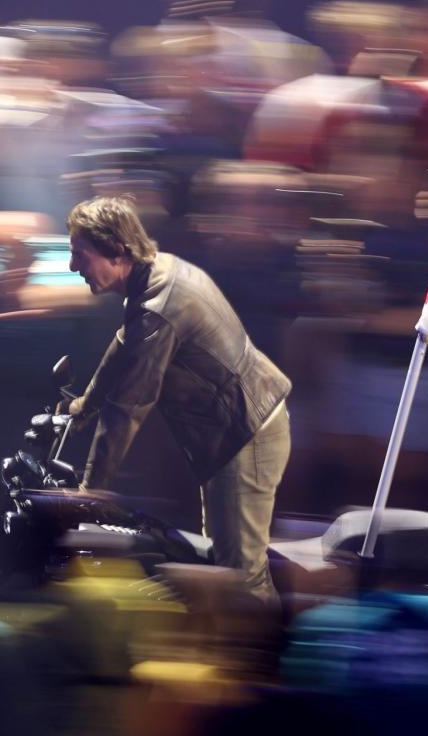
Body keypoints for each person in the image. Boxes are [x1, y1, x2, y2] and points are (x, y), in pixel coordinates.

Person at [63, 195, 291, 606]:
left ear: (116, 251)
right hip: (234, 434)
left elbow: (129, 408)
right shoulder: (155, 274)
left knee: (241, 579)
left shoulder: (159, 308)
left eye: (80, 255)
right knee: (218, 568)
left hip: (247, 435)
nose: (73, 266)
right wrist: (85, 404)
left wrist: (90, 492)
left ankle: (269, 664)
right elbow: (124, 345)